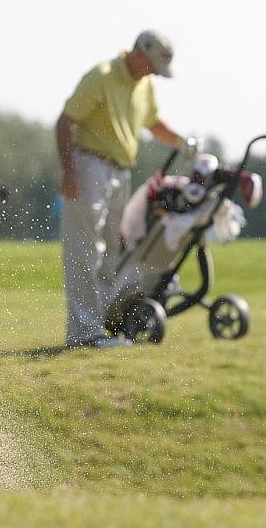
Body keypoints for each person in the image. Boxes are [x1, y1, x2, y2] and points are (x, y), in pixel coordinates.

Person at [56, 29, 187, 348]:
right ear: (139, 52)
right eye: (152, 65)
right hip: (90, 166)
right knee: (85, 251)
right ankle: (83, 334)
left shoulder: (146, 85)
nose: (153, 73)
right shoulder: (102, 76)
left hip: (120, 173)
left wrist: (183, 142)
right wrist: (69, 172)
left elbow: (154, 124)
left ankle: (97, 328)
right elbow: (64, 122)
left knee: (112, 253)